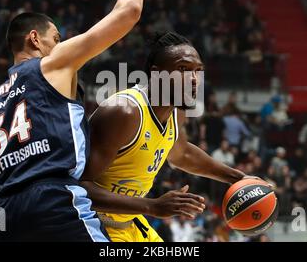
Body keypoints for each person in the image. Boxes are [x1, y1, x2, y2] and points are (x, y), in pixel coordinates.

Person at [0, 0, 143, 241]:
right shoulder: (52, 64)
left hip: (1, 216)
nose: (60, 44)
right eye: (56, 38)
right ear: (34, 39)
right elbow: (129, 12)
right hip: (51, 203)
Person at [81, 32, 259, 242]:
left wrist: (237, 178)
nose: (194, 79)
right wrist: (153, 206)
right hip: (92, 223)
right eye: (183, 69)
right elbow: (80, 189)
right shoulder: (124, 112)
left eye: (198, 71)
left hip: (131, 222)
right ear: (156, 75)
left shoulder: (176, 112)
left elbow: (181, 153)